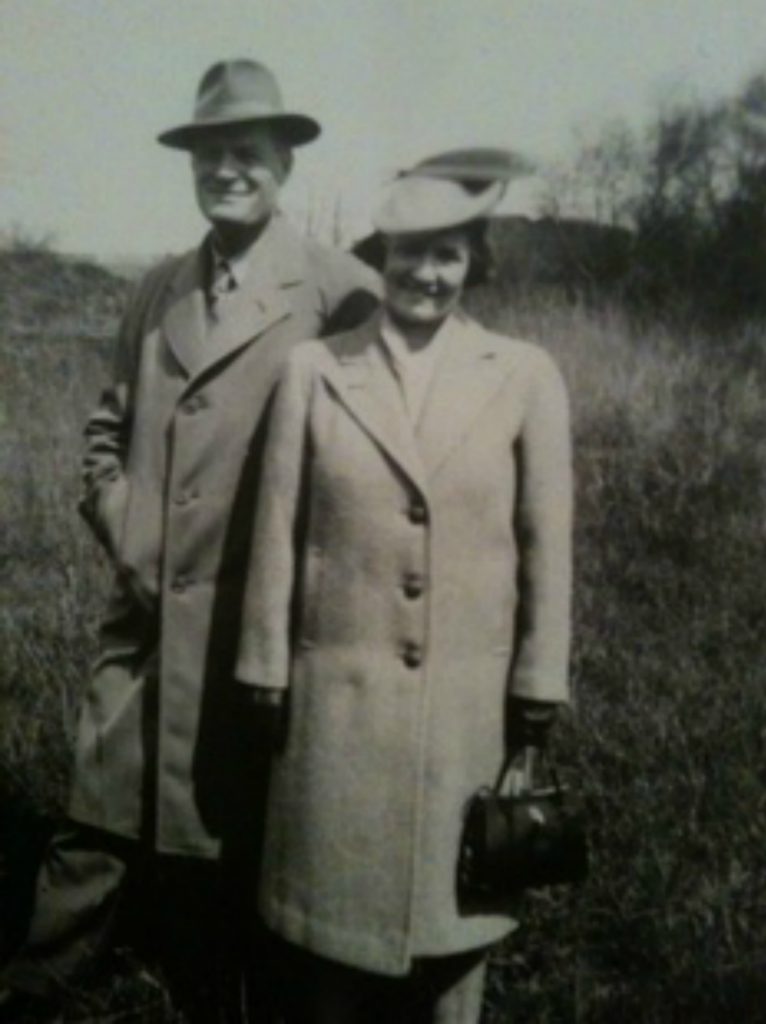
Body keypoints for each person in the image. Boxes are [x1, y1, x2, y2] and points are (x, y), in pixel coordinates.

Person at [0, 58, 378, 1023]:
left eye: (247, 153)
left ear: (284, 163)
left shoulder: (340, 290)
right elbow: (103, 430)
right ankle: (41, 983)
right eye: (210, 156)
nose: (227, 172)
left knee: (245, 827)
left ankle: (229, 981)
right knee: (100, 802)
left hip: (261, 624)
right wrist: (125, 524)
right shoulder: (162, 286)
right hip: (147, 603)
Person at [233, 149, 573, 1023]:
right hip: (335, 708)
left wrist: (539, 679)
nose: (426, 273)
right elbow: (278, 528)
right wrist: (264, 663)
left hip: (466, 709)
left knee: (455, 942)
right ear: (379, 257)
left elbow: (546, 542)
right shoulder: (315, 370)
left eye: (449, 253)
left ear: (475, 263)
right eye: (408, 252)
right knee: (331, 952)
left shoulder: (524, 374)